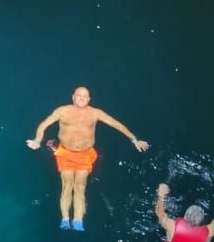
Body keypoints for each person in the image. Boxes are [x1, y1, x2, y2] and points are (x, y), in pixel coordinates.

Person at [26, 86, 149, 231]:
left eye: (85, 96)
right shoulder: (62, 111)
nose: (82, 98)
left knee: (80, 186)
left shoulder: (95, 113)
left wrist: (134, 140)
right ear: (73, 97)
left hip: (85, 154)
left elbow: (116, 124)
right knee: (67, 185)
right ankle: (65, 219)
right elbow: (43, 125)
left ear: (89, 99)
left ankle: (78, 220)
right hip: (65, 152)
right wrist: (37, 140)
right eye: (79, 95)